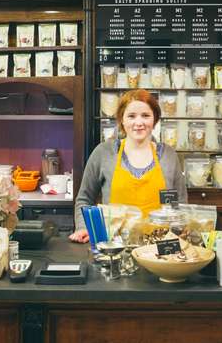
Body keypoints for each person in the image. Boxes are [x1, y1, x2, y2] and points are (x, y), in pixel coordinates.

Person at [70, 89, 187, 243]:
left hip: (159, 249)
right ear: (122, 120)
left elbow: (179, 204)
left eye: (145, 115)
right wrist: (83, 227)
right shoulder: (104, 153)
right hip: (113, 247)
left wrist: (182, 230)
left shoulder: (168, 155)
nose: (139, 123)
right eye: (131, 116)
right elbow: (84, 199)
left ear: (155, 119)